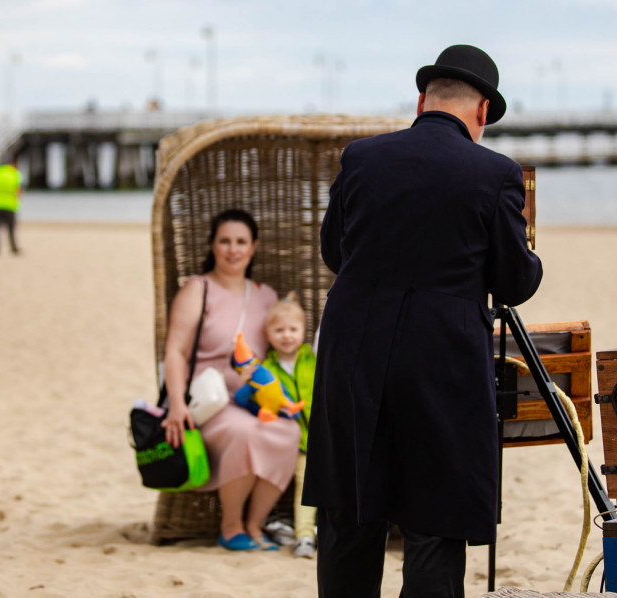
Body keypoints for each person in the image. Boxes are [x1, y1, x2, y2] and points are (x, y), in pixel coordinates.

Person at [303, 45, 544, 597]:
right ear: (482, 111)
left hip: (354, 346)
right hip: (441, 356)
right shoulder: (497, 174)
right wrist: (528, 254)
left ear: (422, 100)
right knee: (436, 517)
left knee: (348, 508)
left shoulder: (361, 157)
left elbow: (334, 253)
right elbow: (513, 283)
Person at [161, 209, 301, 552]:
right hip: (207, 404)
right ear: (212, 245)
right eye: (225, 241)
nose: (233, 249)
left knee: (290, 431)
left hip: (251, 401)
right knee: (244, 431)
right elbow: (175, 350)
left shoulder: (266, 295)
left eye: (241, 242)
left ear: (253, 248)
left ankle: (255, 523)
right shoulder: (198, 289)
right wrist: (176, 404)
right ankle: (231, 525)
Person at [259, 292, 318, 559]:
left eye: (293, 329)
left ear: (303, 331)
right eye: (279, 330)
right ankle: (304, 536)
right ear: (268, 335)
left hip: (323, 437)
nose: (286, 335)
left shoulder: (313, 360)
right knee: (304, 485)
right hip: (294, 444)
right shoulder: (267, 369)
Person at [0, 161, 22, 255]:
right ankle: (13, 248)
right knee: (11, 228)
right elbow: (18, 191)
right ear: (12, 164)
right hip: (10, 205)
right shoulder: (15, 173)